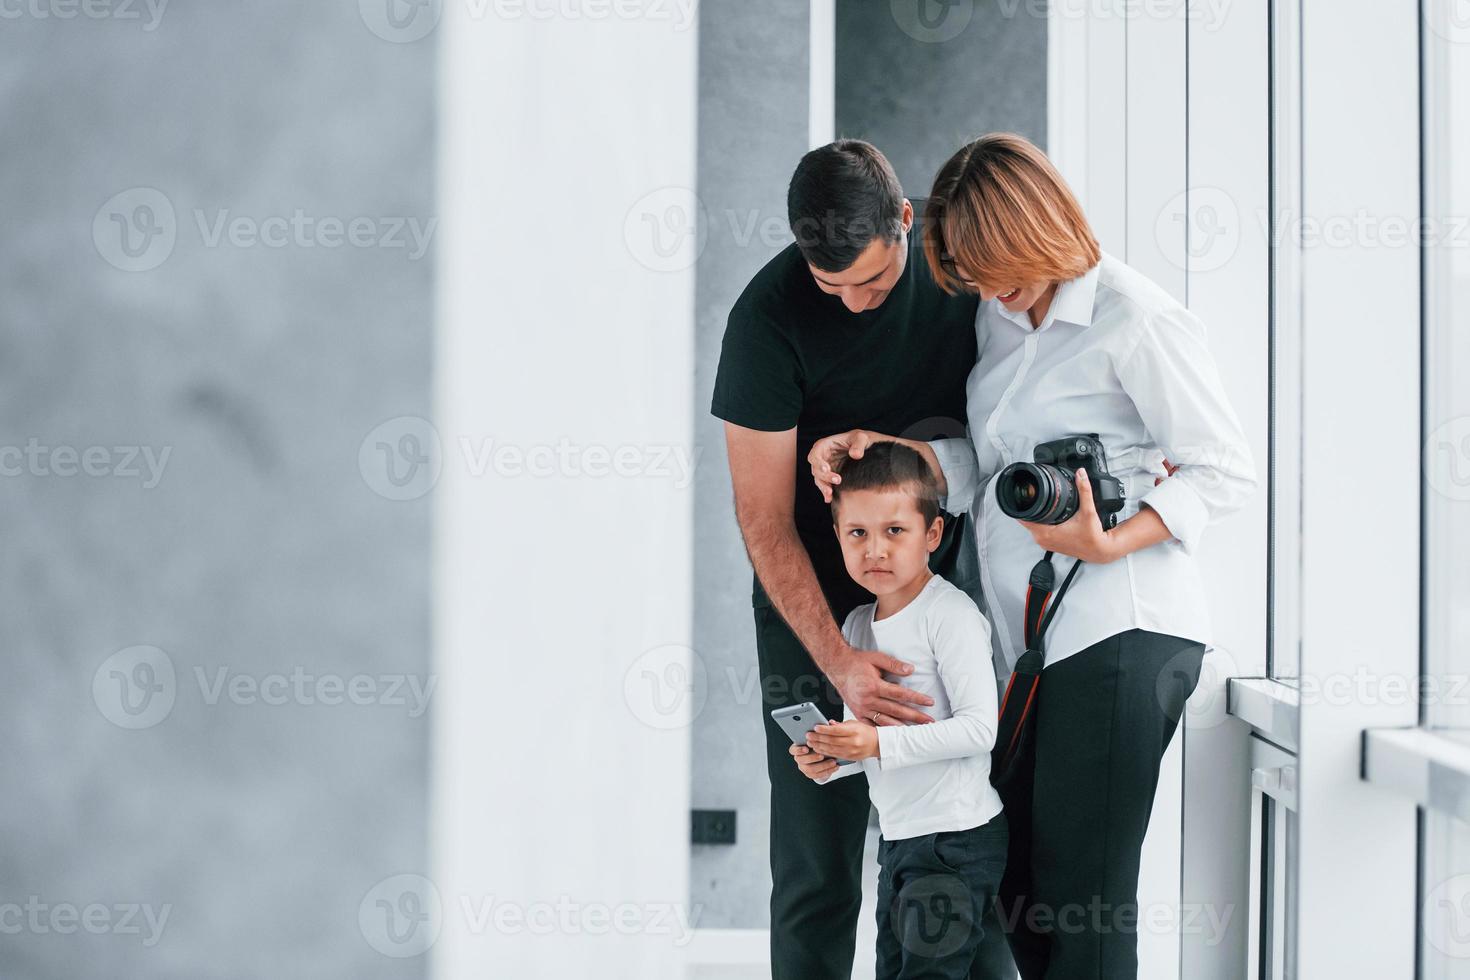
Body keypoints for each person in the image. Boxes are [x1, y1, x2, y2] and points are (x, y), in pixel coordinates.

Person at [807, 132, 1258, 979]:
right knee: (1020, 890)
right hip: (1036, 646)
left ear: (1041, 226)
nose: (989, 286)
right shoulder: (998, 317)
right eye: (973, 272)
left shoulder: (1136, 317)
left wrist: (1111, 538)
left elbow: (1226, 469)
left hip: (1124, 631)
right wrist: (898, 456)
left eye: (1000, 264)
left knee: (1083, 901)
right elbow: (991, 464)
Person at [711, 139, 1015, 979]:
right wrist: (840, 660)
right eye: (830, 286)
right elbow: (764, 521)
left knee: (954, 825)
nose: (851, 305)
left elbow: (1011, 419)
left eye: (872, 284)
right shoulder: (766, 319)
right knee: (816, 857)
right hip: (810, 596)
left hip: (944, 574)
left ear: (907, 224)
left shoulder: (961, 272)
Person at [788, 441, 1008, 980]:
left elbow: (981, 729)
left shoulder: (948, 615)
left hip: (955, 837)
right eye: (857, 533)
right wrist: (832, 756)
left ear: (931, 535)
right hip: (899, 837)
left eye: (895, 531)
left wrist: (876, 744)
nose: (875, 550)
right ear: (838, 537)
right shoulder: (856, 628)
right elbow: (862, 734)